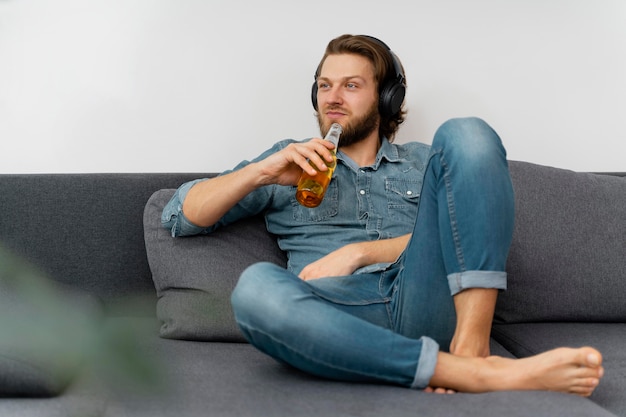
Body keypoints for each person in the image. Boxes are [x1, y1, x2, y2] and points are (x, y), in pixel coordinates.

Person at [162, 34, 603, 396]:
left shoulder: (426, 161)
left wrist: (360, 251)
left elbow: (470, 231)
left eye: (351, 85)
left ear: (387, 99)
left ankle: (472, 347)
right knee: (254, 289)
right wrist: (262, 173)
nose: (332, 98)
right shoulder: (288, 161)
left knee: (467, 132)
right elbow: (181, 215)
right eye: (324, 85)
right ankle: (466, 372)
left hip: (423, 296)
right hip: (340, 314)